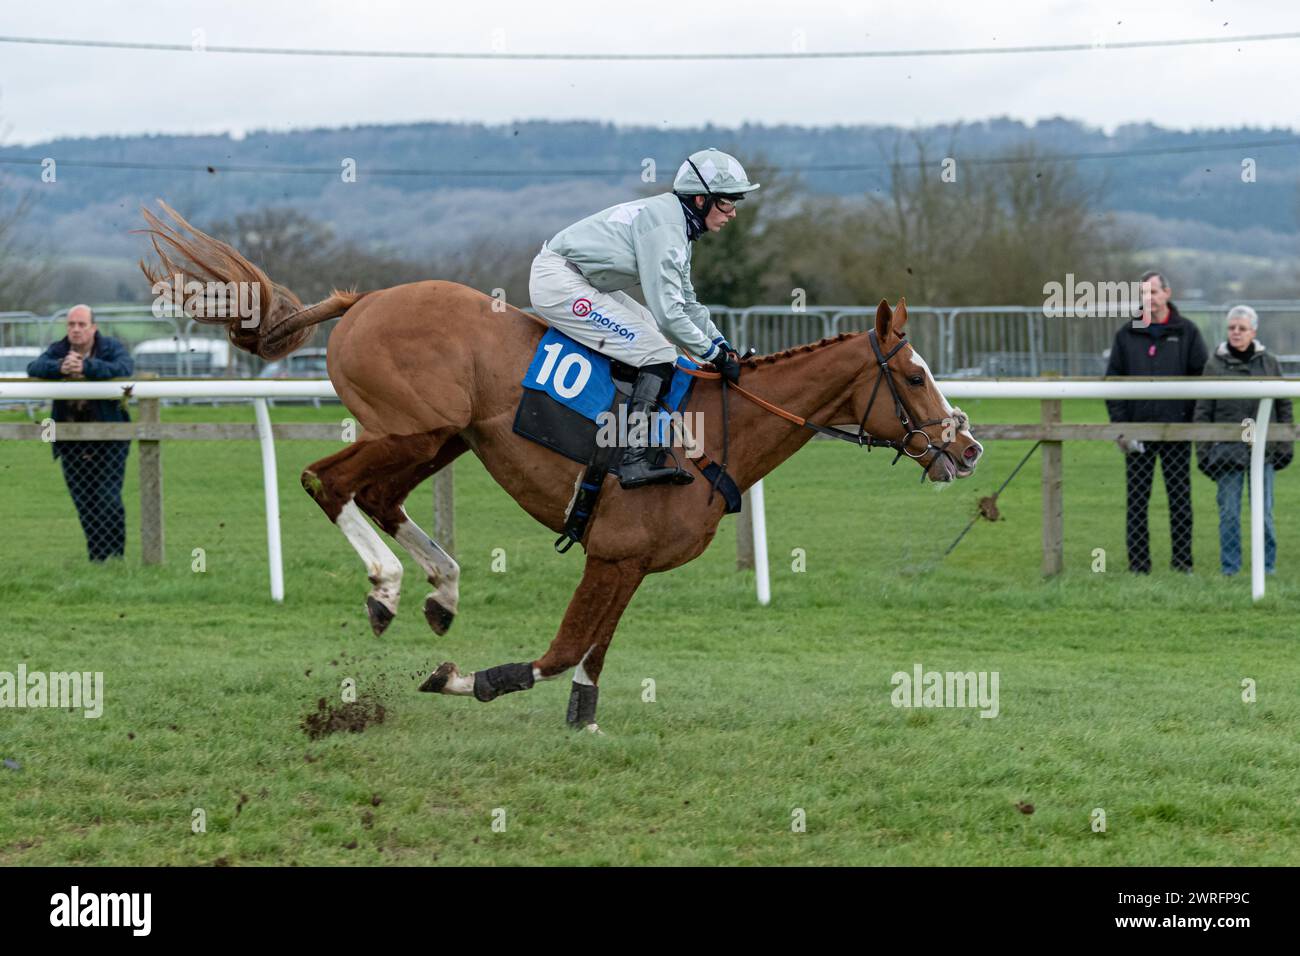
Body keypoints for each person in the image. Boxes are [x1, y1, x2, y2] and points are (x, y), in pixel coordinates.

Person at [528, 147, 756, 487]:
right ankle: (633, 458)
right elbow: (669, 315)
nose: (733, 213)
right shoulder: (667, 227)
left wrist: (722, 345)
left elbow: (687, 303)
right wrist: (714, 357)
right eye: (726, 202)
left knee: (655, 338)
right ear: (700, 200)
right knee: (659, 351)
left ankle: (640, 435)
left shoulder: (678, 225)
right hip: (559, 282)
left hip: (581, 279)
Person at [1104, 270, 1208, 573]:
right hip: (1138, 432)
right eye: (1143, 293)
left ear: (1167, 293)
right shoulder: (1126, 334)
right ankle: (1139, 565)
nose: (1148, 298)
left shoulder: (1187, 332)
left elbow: (1202, 380)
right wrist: (1122, 427)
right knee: (1137, 501)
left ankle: (1182, 564)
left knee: (1180, 500)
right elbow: (1113, 383)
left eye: (1153, 292)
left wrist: (1189, 422)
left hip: (1176, 431)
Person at [26, 305, 135, 561]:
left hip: (109, 439)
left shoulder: (110, 347)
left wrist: (86, 367)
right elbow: (34, 367)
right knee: (85, 504)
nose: (75, 330)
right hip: (71, 440)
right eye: (71, 324)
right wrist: (60, 367)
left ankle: (116, 556)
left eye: (81, 324)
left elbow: (124, 367)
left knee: (108, 499)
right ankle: (97, 559)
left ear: (93, 328)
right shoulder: (59, 349)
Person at [1192, 305, 1292, 575]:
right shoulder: (1214, 365)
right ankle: (1231, 569)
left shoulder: (1269, 363)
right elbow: (1203, 409)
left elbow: (1283, 405)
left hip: (1265, 450)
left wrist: (1284, 446)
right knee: (1229, 513)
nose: (1236, 332)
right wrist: (1203, 452)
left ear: (1253, 331)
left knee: (1264, 513)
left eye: (1242, 328)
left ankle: (1267, 567)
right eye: (1232, 328)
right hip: (1226, 451)